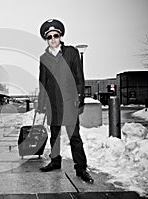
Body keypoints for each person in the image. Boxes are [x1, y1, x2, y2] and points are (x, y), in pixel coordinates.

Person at [37, 19, 93, 183]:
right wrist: (41, 103)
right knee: (54, 136)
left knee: (74, 136)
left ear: (60, 36)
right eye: (49, 37)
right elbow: (43, 83)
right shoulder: (43, 58)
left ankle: (81, 168)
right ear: (46, 39)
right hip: (53, 103)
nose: (53, 39)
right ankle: (55, 162)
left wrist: (80, 98)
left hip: (69, 102)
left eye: (56, 35)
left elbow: (79, 77)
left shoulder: (71, 53)